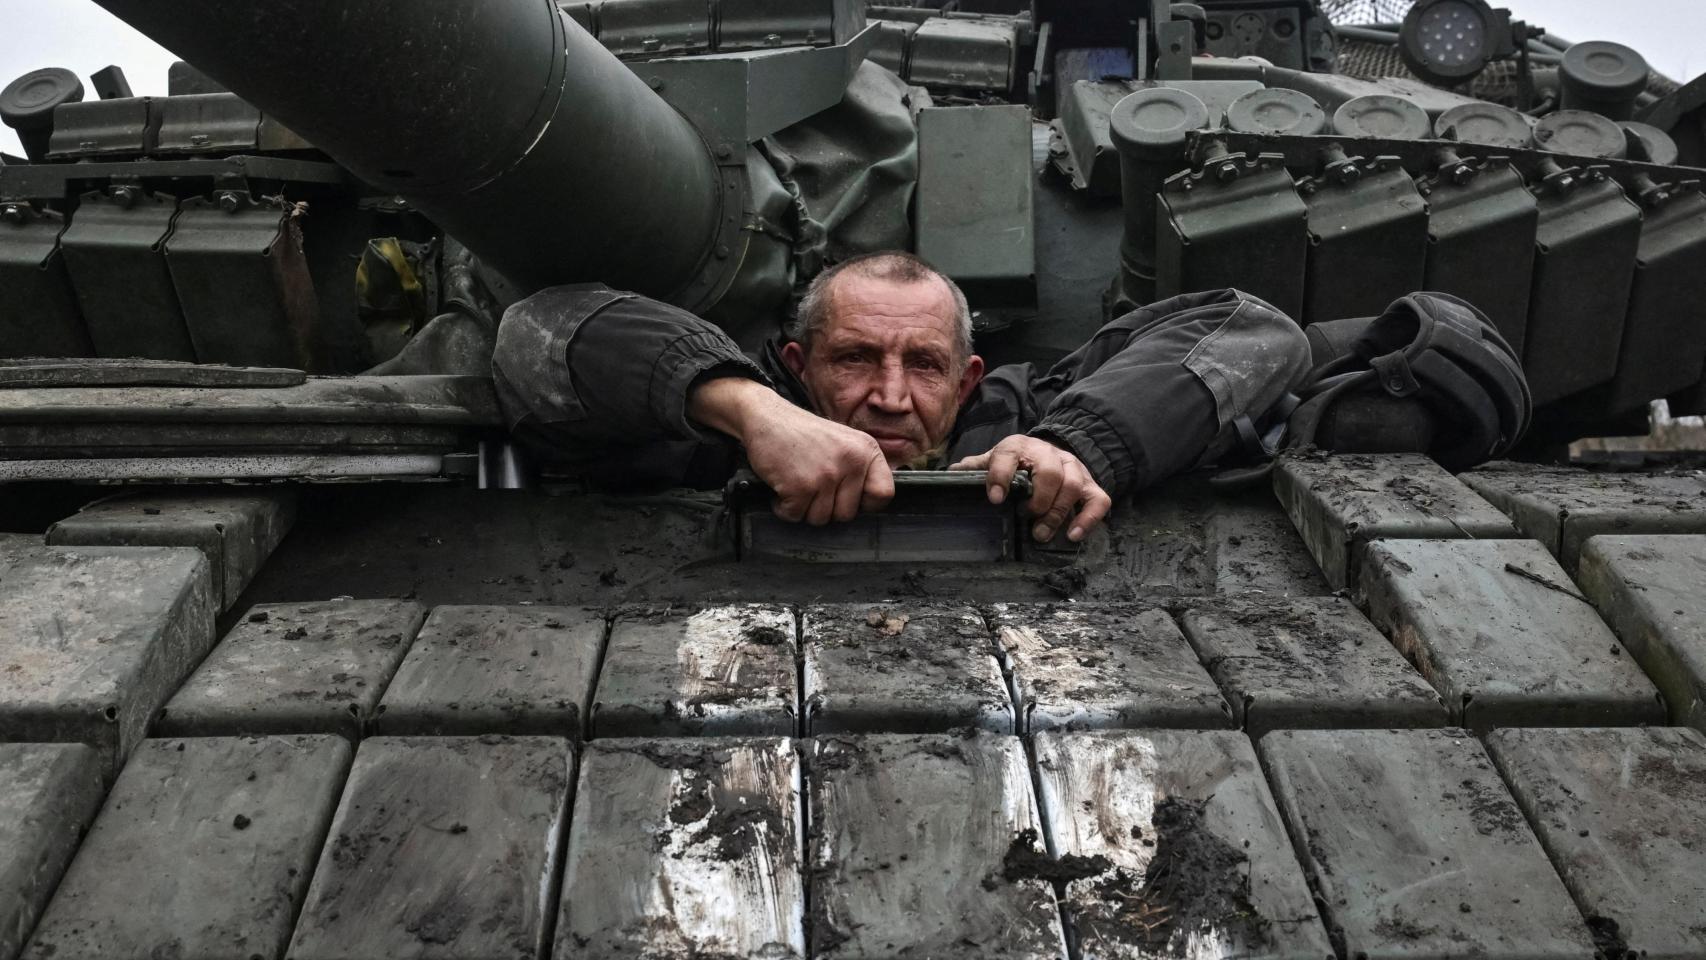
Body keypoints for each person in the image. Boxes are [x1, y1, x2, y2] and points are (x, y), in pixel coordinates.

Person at [492, 252, 1312, 543]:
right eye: (853, 358)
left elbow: (1256, 332)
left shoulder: (1023, 418)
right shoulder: (723, 420)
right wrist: (751, 411)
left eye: (923, 366)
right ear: (798, 363)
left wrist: (1076, 447)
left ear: (968, 383)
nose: (889, 396)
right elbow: (539, 332)